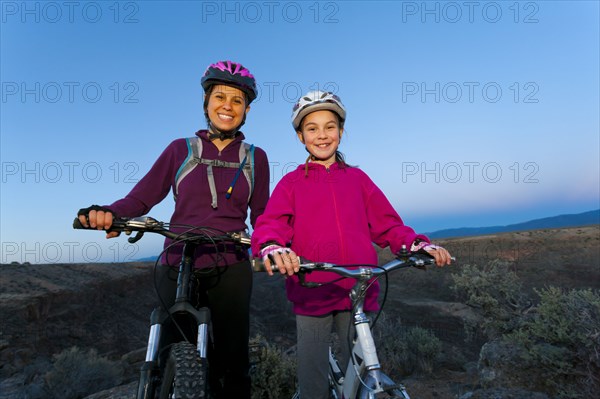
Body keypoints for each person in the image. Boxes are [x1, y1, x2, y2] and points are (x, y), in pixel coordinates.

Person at [77, 60, 269, 398]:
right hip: (177, 259)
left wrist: (274, 243)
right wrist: (108, 213)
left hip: (230, 263)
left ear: (247, 110)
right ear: (206, 103)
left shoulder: (255, 157)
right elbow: (142, 197)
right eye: (220, 97)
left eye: (237, 101)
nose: (228, 106)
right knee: (167, 355)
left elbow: (263, 214)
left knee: (234, 365)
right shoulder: (180, 149)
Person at [250, 90, 452, 399]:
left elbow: (388, 224)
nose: (322, 135)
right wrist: (272, 247)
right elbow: (271, 223)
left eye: (330, 126)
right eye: (312, 128)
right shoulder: (291, 183)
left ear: (341, 132)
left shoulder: (358, 179)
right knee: (313, 383)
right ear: (301, 136)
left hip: (358, 288)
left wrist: (413, 244)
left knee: (358, 376)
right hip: (313, 290)